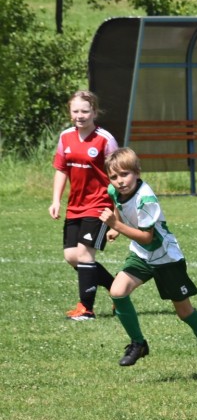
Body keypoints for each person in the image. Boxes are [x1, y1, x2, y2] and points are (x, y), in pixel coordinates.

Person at [97, 148, 197, 379]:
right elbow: (117, 205)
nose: (120, 181)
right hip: (142, 255)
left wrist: (116, 226)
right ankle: (138, 344)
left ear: (137, 172)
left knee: (184, 312)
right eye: (114, 176)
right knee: (117, 291)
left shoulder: (146, 199)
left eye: (125, 174)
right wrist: (115, 226)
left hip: (165, 258)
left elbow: (147, 237)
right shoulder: (114, 190)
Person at [50, 90, 119, 320]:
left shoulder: (105, 140)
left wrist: (116, 214)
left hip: (99, 205)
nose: (80, 115)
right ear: (70, 113)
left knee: (84, 254)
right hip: (75, 206)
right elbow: (61, 169)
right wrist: (56, 200)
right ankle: (118, 289)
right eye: (75, 111)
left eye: (85, 111)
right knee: (71, 256)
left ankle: (86, 309)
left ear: (94, 112)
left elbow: (118, 175)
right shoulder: (65, 137)